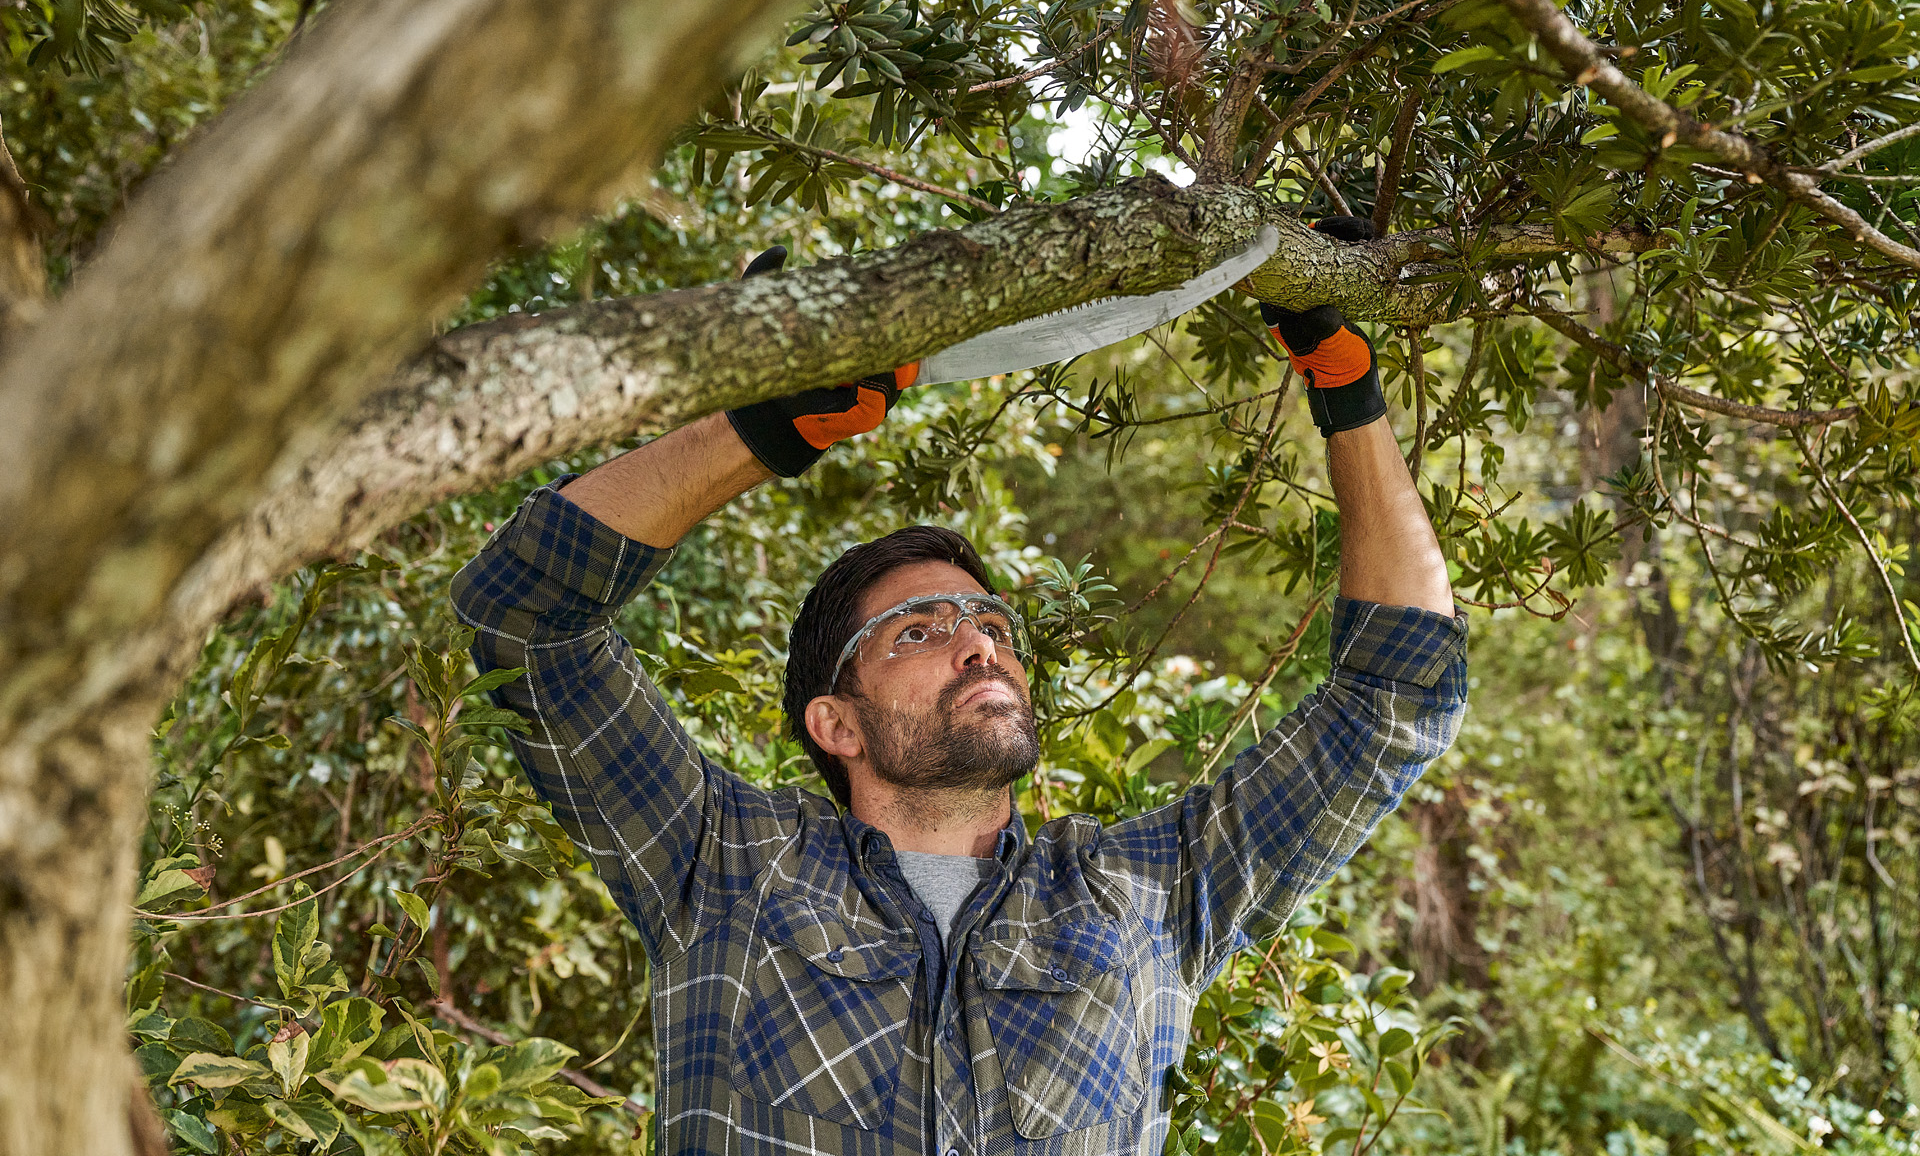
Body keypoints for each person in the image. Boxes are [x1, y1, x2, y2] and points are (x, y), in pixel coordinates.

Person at [450, 219, 1466, 1156]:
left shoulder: (1151, 891)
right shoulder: (721, 863)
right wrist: (762, 431)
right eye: (918, 630)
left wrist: (1347, 385)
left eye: (991, 625)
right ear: (834, 720)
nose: (979, 646)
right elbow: (523, 615)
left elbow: (1397, 697)